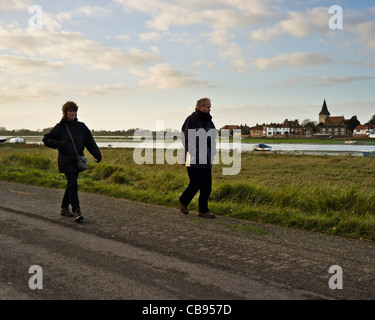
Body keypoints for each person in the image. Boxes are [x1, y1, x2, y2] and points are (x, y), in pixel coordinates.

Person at [43, 101, 102, 222]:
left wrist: (97, 154)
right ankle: (76, 211)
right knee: (73, 184)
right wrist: (58, 143)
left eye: (74, 110)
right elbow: (46, 139)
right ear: (65, 113)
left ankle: (64, 208)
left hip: (77, 161)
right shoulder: (60, 127)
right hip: (65, 160)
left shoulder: (82, 127)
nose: (72, 113)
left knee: (71, 184)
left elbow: (90, 142)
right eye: (70, 111)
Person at [178, 97, 217, 218]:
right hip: (193, 157)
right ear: (200, 106)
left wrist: (213, 150)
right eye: (207, 107)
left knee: (207, 185)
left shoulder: (209, 121)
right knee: (196, 183)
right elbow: (187, 138)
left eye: (210, 107)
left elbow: (213, 136)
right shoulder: (191, 119)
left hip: (206, 157)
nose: (209, 109)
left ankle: (203, 210)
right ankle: (183, 201)